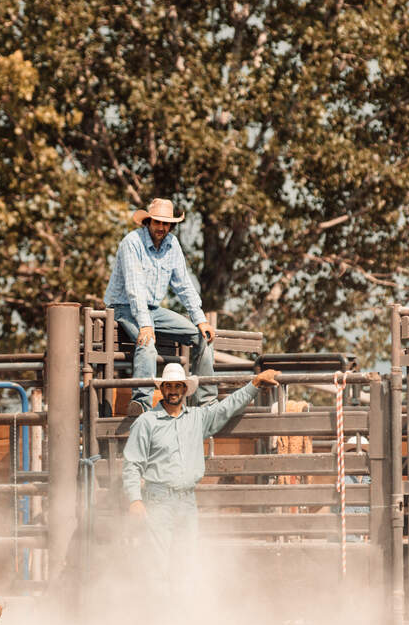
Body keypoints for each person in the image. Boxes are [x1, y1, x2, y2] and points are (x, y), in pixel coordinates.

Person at [122, 363, 280, 584]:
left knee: (187, 560)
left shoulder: (197, 417)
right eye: (169, 386)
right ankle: (158, 613)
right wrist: (135, 500)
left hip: (186, 499)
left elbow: (227, 407)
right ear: (163, 389)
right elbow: (132, 464)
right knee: (157, 563)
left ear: (185, 390)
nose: (174, 390)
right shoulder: (146, 422)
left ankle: (181, 610)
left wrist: (254, 384)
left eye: (178, 386)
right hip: (158, 500)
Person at [104, 198, 217, 416]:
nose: (162, 227)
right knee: (147, 343)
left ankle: (207, 400)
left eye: (166, 224)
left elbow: (184, 285)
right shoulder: (132, 243)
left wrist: (201, 320)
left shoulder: (172, 244)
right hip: (124, 307)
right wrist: (146, 326)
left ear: (171, 226)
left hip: (153, 310)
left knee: (202, 337)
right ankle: (141, 403)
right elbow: (134, 289)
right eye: (158, 222)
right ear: (148, 222)